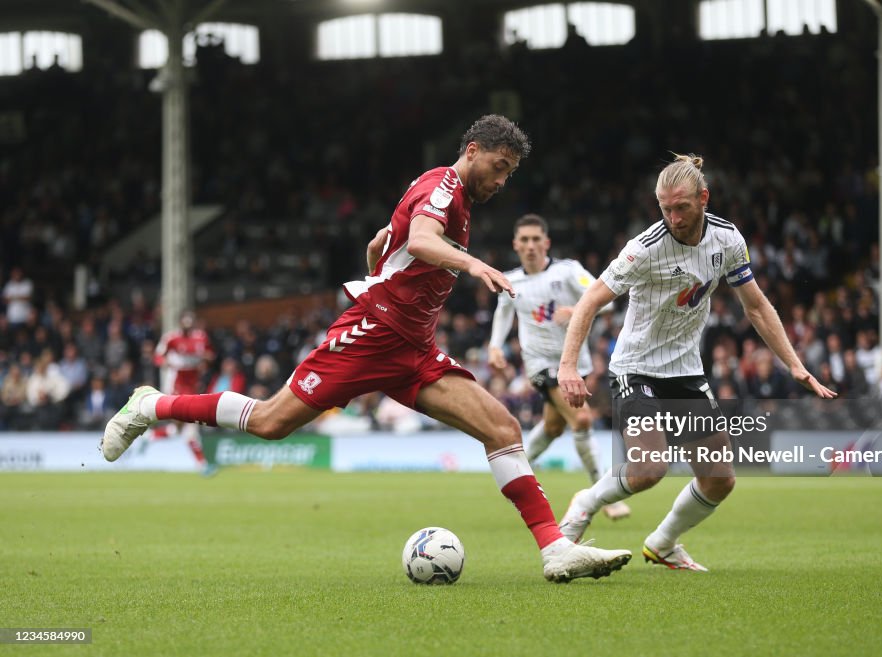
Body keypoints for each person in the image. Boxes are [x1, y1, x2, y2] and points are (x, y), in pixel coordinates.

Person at [101, 115, 631, 583]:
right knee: (269, 422)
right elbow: (423, 239)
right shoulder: (446, 184)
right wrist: (472, 264)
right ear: (472, 151)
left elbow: (401, 237)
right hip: (370, 335)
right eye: (498, 165)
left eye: (510, 172)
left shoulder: (450, 194)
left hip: (412, 349)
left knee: (501, 428)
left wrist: (385, 243)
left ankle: (555, 549)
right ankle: (150, 405)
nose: (501, 179)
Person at [556, 154, 835, 571]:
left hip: (686, 372)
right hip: (635, 369)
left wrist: (793, 363)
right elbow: (590, 301)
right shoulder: (643, 249)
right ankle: (586, 502)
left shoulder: (728, 240)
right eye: (665, 208)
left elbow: (755, 306)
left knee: (720, 479)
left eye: (681, 207)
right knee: (650, 467)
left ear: (704, 198)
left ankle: (664, 542)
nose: (673, 217)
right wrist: (567, 366)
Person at [488, 213, 631, 521]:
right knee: (580, 419)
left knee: (554, 427)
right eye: (524, 240)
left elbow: (605, 300)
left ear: (546, 242)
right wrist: (495, 345)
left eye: (536, 239)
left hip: (574, 362)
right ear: (515, 245)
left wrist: (577, 309)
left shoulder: (568, 272)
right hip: (539, 363)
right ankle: (604, 495)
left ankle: (513, 469)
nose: (530, 246)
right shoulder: (510, 281)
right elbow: (503, 311)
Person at [153, 309, 217, 475]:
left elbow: (210, 354)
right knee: (190, 424)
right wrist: (165, 362)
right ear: (180, 322)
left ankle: (149, 438)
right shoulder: (171, 337)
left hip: (193, 384)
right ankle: (202, 464)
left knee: (180, 428)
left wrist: (205, 359)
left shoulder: (201, 337)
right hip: (176, 383)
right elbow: (158, 356)